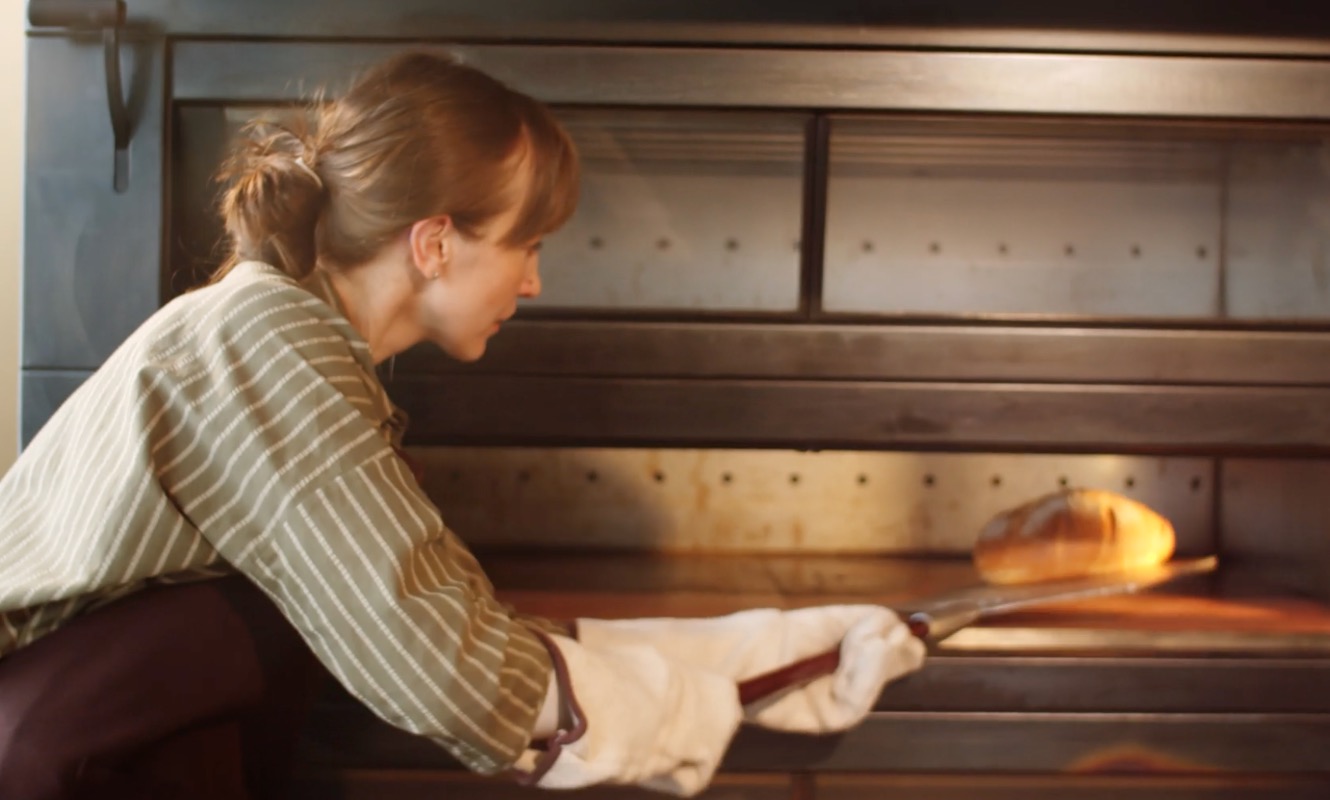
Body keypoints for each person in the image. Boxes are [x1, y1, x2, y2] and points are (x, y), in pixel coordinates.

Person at [0, 51, 926, 799]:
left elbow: (430, 601)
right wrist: (690, 705)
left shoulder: (288, 334)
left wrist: (756, 649)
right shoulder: (271, 343)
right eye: (527, 243)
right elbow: (441, 666)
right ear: (435, 242)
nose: (533, 281)